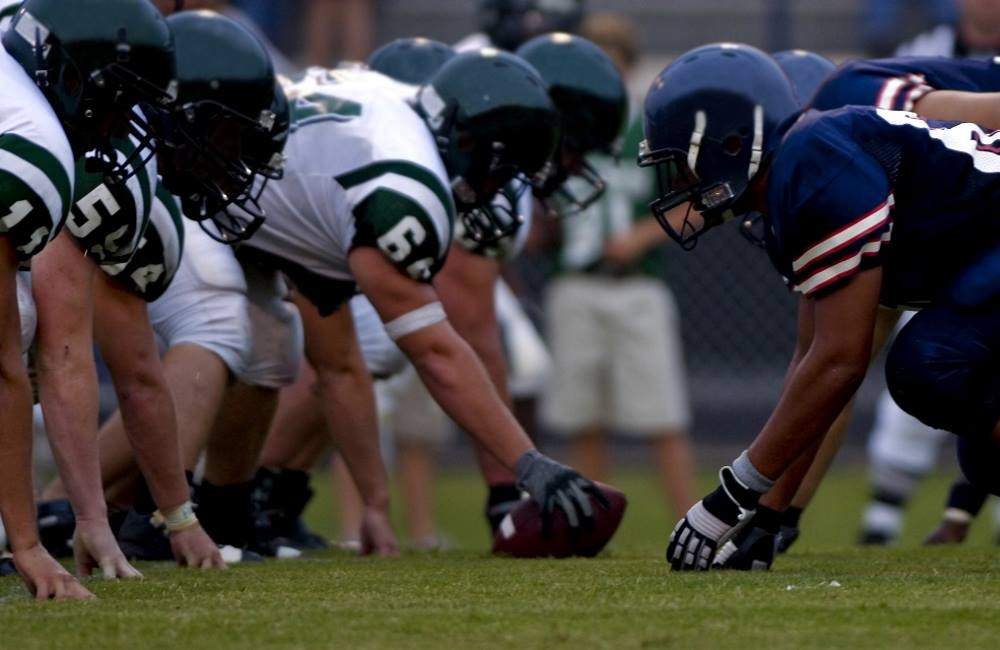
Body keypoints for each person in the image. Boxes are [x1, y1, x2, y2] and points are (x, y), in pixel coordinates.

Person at [201, 51, 611, 558]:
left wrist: (375, 500)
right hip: (197, 192)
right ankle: (136, 511)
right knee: (203, 340)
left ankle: (221, 514)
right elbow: (438, 354)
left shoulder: (391, 109)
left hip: (235, 208)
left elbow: (341, 365)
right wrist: (528, 465)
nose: (500, 191)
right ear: (467, 143)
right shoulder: (404, 188)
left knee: (273, 353)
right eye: (501, 173)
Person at [641, 42, 1000, 571]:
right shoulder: (800, 180)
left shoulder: (817, 158)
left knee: (929, 363)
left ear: (734, 142)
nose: (685, 186)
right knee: (984, 454)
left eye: (687, 165)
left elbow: (840, 362)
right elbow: (812, 368)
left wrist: (729, 496)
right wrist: (768, 515)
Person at [0, 0, 177, 599]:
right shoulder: (35, 146)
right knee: (19, 323)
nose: (115, 124)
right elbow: (20, 362)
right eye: (114, 100)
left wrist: (90, 518)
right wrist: (26, 545)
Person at [540, 13, 696, 521]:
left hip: (636, 284)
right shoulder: (563, 130)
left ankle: (695, 522)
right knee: (583, 417)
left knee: (662, 417)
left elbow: (697, 203)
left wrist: (641, 236)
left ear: (629, 68)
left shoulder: (651, 128)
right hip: (575, 281)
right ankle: (590, 522)